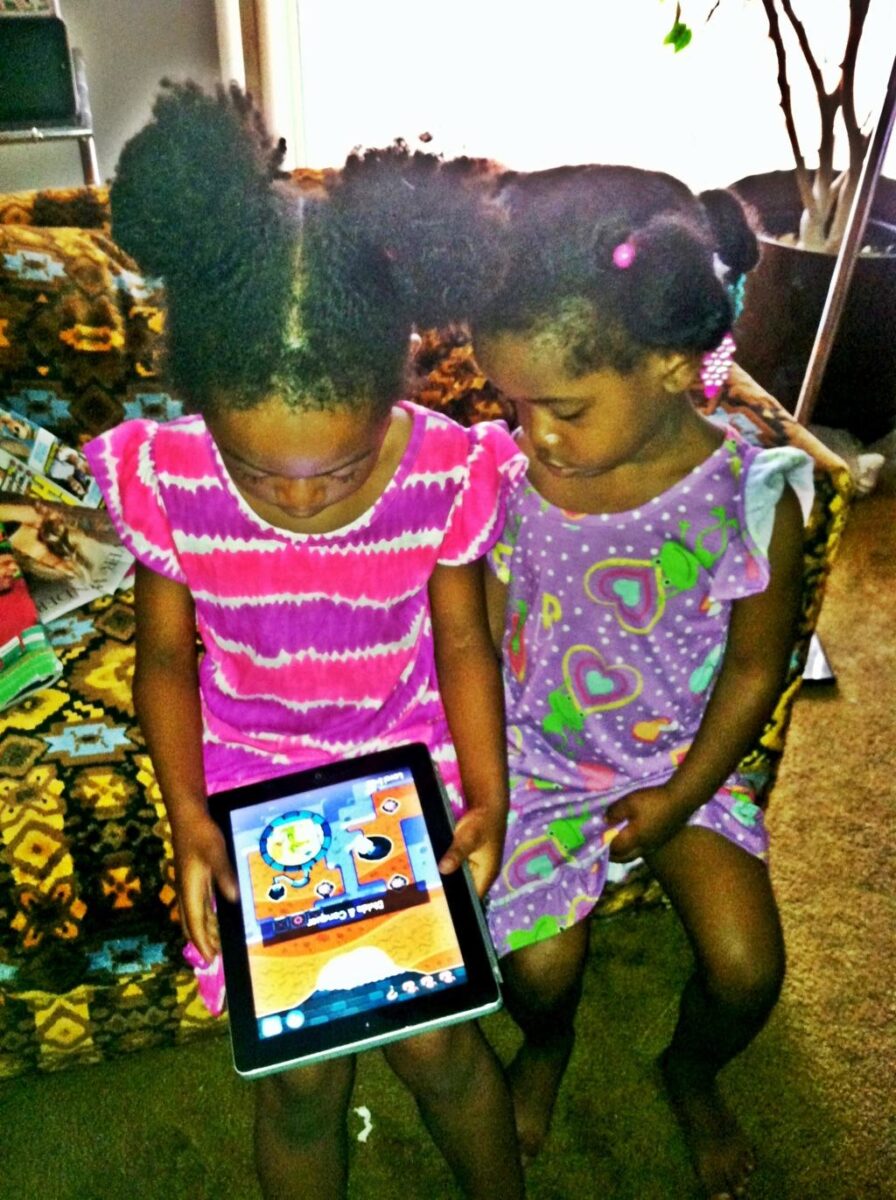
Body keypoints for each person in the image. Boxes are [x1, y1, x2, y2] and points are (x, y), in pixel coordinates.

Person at [83, 83, 526, 1200]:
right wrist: (188, 816)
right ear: (200, 409)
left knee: (441, 1045)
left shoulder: (442, 471)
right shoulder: (168, 477)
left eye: (337, 469)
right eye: (255, 470)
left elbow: (463, 644)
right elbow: (164, 659)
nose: (297, 502)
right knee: (298, 1077)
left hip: (406, 752)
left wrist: (488, 791)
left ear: (392, 396)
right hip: (251, 775)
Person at [452, 166, 813, 1200]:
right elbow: (479, 635)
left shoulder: (751, 495)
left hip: (680, 761)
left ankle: (688, 1070)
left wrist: (681, 797)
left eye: (561, 408)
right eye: (513, 404)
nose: (532, 435)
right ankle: (550, 1045)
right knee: (535, 972)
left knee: (746, 971)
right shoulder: (506, 481)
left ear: (669, 365)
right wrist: (484, 786)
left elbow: (757, 667)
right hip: (537, 759)